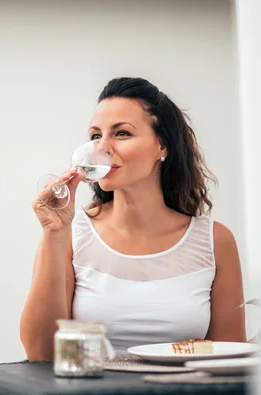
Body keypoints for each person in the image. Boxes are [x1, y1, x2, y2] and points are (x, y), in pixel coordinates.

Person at [20, 77, 246, 361]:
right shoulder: (71, 234)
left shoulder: (215, 241)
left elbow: (231, 358)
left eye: (122, 133)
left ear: (162, 146)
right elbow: (40, 354)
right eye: (95, 136)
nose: (102, 147)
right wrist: (54, 234)